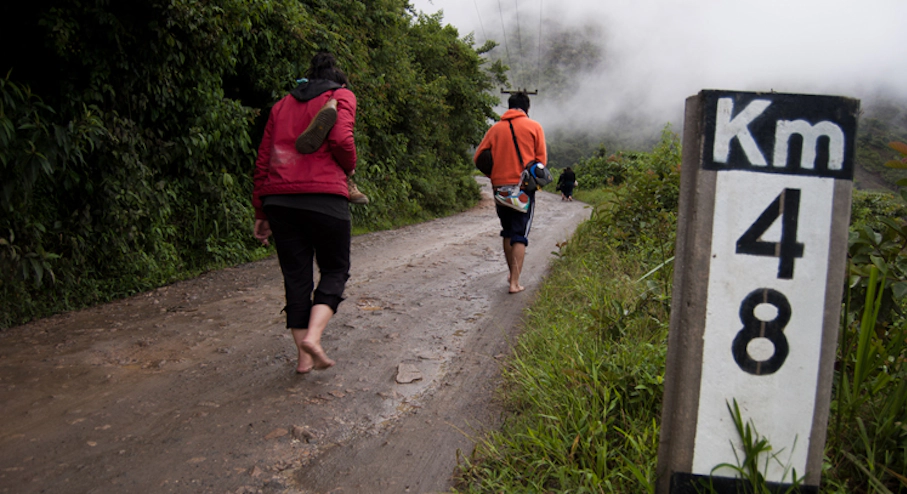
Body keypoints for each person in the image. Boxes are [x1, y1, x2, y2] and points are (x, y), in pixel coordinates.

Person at [252, 52, 357, 373]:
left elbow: (264, 158)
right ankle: (314, 336)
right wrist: (349, 167)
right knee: (335, 269)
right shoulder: (342, 95)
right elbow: (340, 139)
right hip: (325, 196)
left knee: (296, 279)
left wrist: (260, 210)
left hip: (280, 199)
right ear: (338, 79)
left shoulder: (282, 104)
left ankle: (302, 358)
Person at [473, 91, 547, 293]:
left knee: (507, 231)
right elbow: (541, 161)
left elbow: (478, 157)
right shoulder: (534, 127)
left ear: (509, 106)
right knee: (520, 234)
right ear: (527, 108)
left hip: (500, 187)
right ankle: (515, 282)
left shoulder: (495, 129)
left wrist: (494, 175)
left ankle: (511, 274)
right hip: (523, 188)